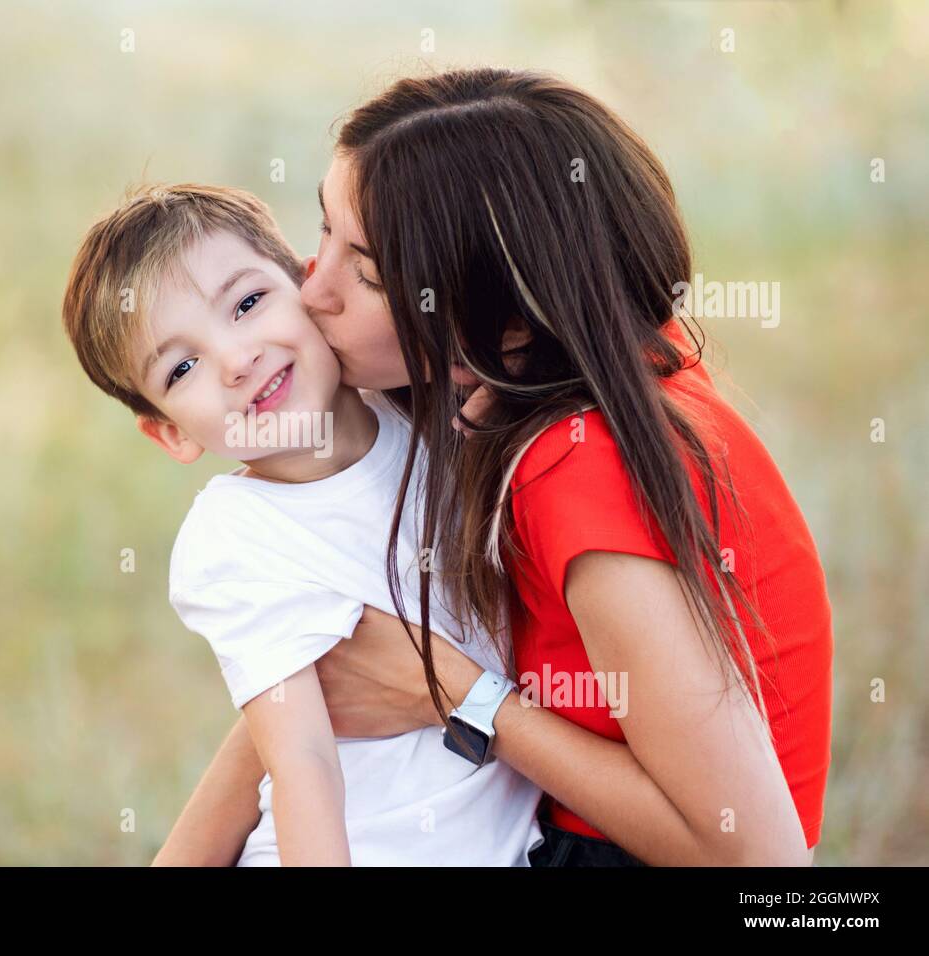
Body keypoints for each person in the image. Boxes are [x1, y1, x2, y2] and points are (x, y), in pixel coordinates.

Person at [156, 69, 834, 866]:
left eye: (367, 273)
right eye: (323, 232)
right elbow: (330, 690)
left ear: (505, 324)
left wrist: (465, 698)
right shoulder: (585, 378)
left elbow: (761, 860)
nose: (313, 290)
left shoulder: (577, 470)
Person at [62, 183, 543, 865]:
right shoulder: (235, 539)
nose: (236, 359)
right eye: (184, 366)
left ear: (308, 284)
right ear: (170, 433)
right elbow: (302, 764)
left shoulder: (422, 411)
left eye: (248, 303)